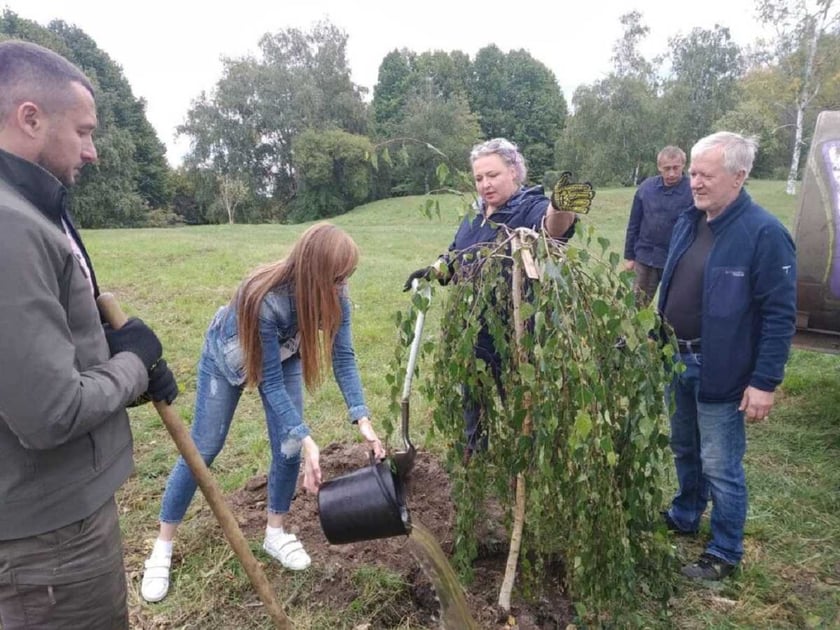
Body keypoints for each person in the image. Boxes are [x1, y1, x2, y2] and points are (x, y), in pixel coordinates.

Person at [0, 40, 178, 629]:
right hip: (47, 545)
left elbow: (42, 340)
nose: (92, 150)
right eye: (82, 132)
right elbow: (50, 412)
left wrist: (118, 354)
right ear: (30, 118)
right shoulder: (9, 225)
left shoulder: (32, 208)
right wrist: (133, 365)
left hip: (53, 523)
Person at [141, 222, 386, 603]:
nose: (343, 285)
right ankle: (163, 546)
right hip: (228, 360)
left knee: (288, 447)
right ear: (314, 272)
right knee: (203, 450)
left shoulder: (336, 291)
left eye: (346, 277)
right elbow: (268, 383)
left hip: (284, 353)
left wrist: (363, 419)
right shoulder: (265, 297)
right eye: (337, 277)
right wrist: (309, 438)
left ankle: (275, 532)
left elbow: (344, 357)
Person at [658, 132, 796, 580]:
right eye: (693, 173)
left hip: (722, 368)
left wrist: (764, 382)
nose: (695, 183)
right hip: (676, 358)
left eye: (706, 175)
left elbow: (779, 315)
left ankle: (724, 550)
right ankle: (685, 513)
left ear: (739, 176)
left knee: (719, 462)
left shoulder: (764, 233)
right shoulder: (690, 221)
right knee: (684, 447)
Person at [404, 138, 583, 459]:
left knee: (519, 400)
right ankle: (475, 454)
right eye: (479, 178)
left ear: (514, 172)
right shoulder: (475, 213)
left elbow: (552, 230)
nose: (485, 184)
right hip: (473, 329)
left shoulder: (529, 206)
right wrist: (435, 270)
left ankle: (525, 461)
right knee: (473, 396)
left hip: (514, 331)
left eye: (492, 175)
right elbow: (457, 255)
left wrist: (562, 206)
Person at [623, 145, 693, 306]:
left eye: (676, 167)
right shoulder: (646, 188)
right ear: (659, 167)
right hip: (645, 257)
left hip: (678, 259)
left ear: (683, 165)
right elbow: (634, 223)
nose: (672, 173)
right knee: (637, 306)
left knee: (674, 307)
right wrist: (629, 257)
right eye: (667, 168)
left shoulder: (693, 190)